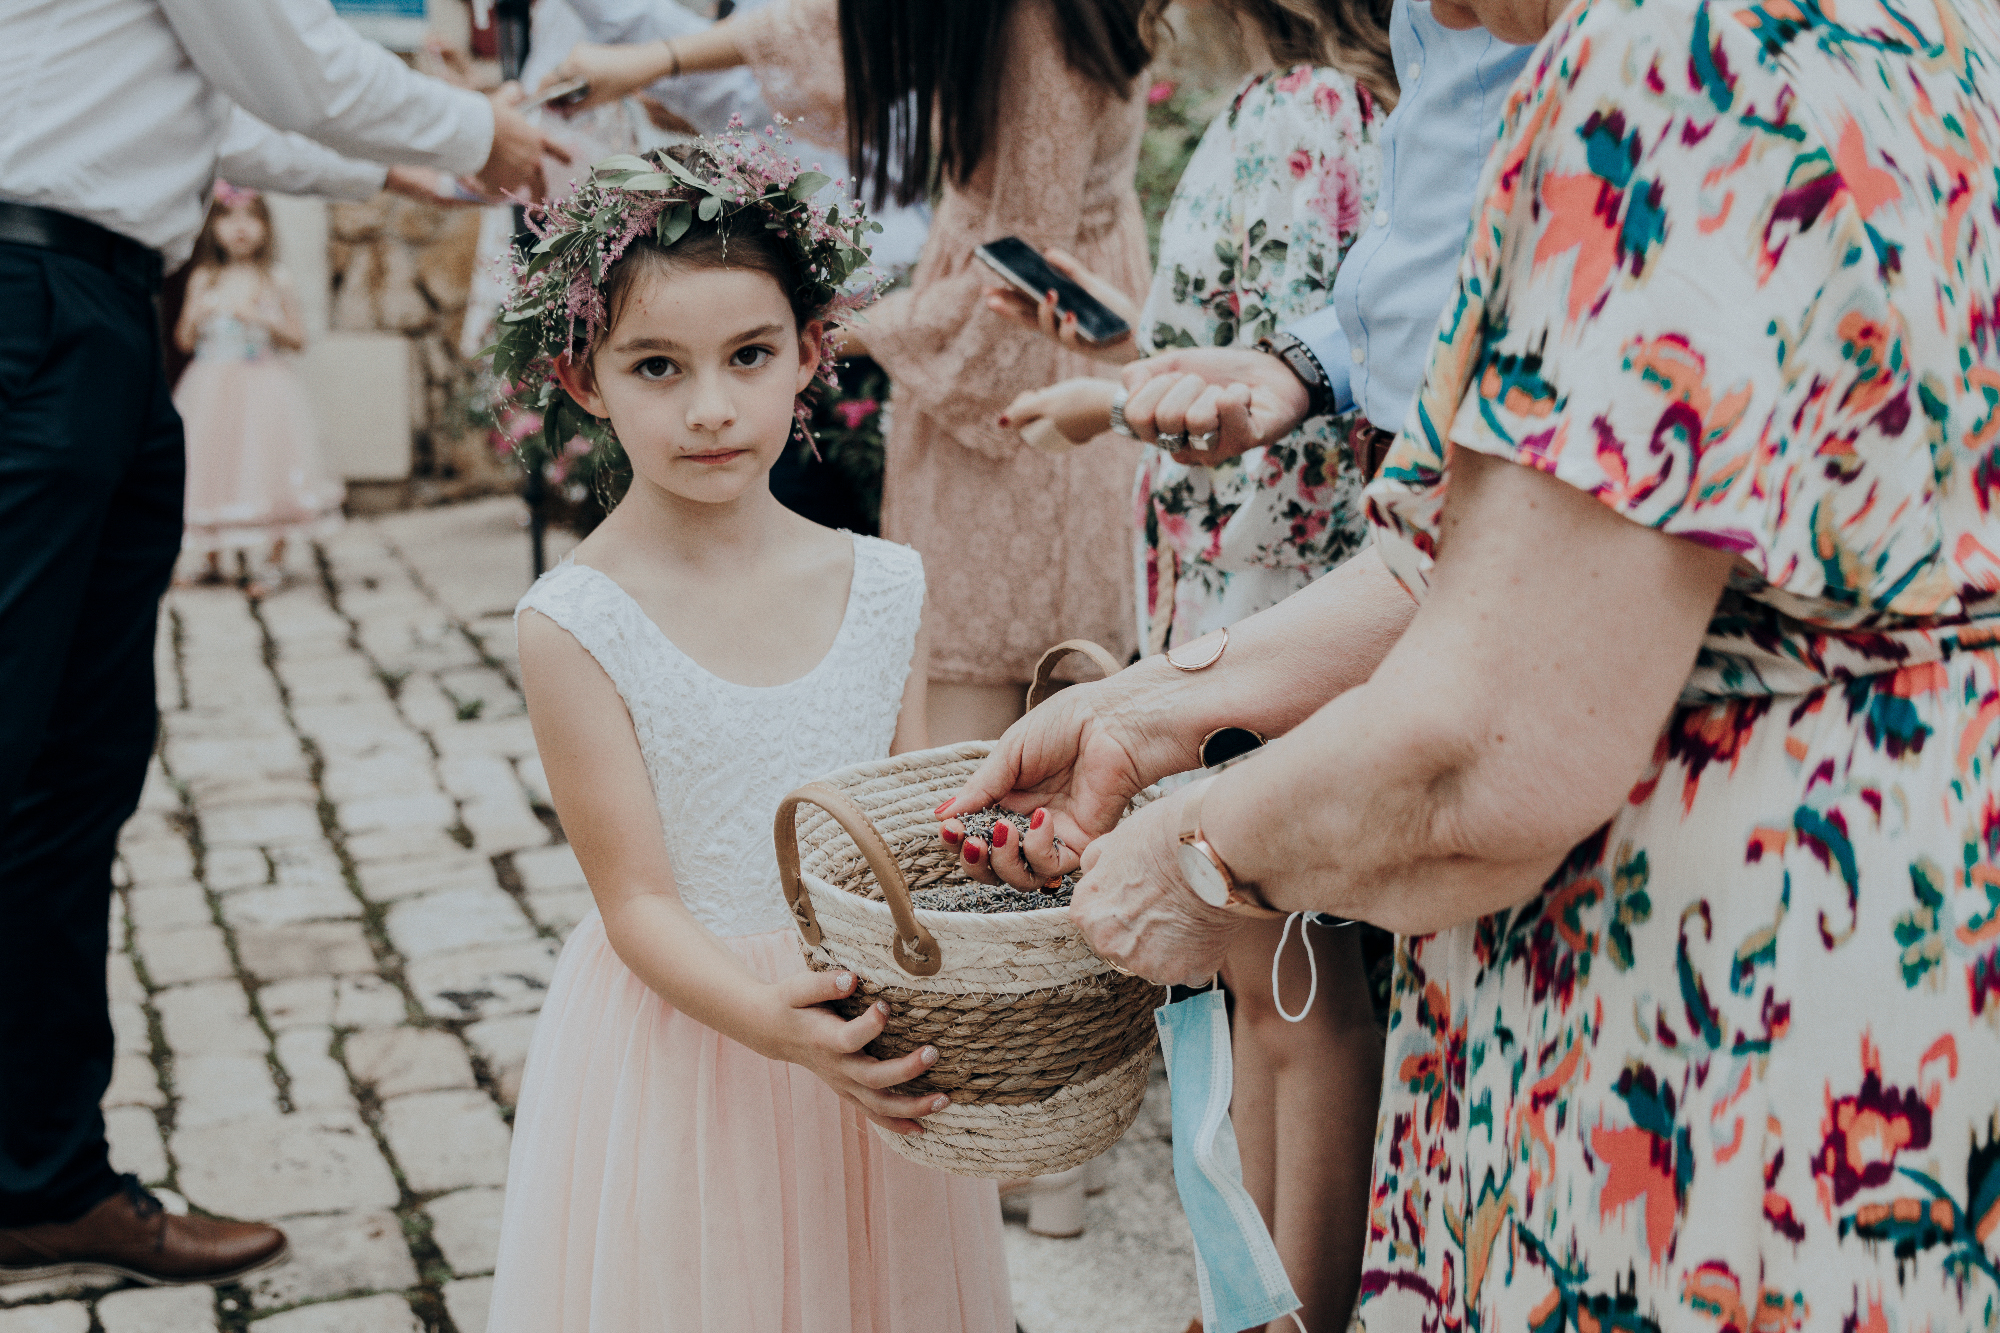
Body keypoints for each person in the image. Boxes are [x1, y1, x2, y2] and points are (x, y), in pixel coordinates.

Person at [943, 0, 2000, 1324]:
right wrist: (1151, 713)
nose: (1427, 15)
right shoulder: (1910, 25)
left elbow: (1480, 756)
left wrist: (1199, 857)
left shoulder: (1667, 61)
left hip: (1715, 1001)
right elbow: (1510, 557)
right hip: (1910, 929)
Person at [0, 0, 560, 1287]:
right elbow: (288, 61)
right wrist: (489, 133)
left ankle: (38, 1177)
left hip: (90, 308)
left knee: (72, 774)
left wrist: (397, 157)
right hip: (34, 305)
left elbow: (210, 96)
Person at [485, 138, 1010, 1331]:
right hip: (695, 1038)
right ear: (583, 381)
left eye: (749, 356)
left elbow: (906, 838)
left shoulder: (883, 586)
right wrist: (770, 1026)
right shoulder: (574, 622)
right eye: (657, 367)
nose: (711, 407)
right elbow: (636, 904)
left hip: (863, 1037)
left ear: (811, 353)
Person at [976, 0, 1391, 1321]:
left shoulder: (1302, 117)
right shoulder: (1309, 108)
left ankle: (1283, 1303)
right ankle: (1251, 1294)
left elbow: (1289, 417)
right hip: (1260, 598)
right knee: (1262, 976)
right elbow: (1248, 354)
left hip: (1273, 596)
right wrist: (1114, 373)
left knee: (1290, 983)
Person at [544, 0, 1157, 744]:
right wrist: (658, 60)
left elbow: (1015, 280)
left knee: (983, 695)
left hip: (1027, 358)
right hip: (986, 331)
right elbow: (848, 22)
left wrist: (797, 331)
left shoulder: (1044, 34)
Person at [173, 183, 344, 595]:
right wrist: (196, 315)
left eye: (251, 218)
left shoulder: (275, 279)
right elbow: (182, 340)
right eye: (228, 218)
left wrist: (262, 319)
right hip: (211, 387)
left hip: (264, 386)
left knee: (267, 463)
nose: (240, 228)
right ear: (212, 227)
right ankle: (211, 554)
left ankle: (273, 559)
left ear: (266, 226)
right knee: (212, 464)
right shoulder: (203, 279)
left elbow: (298, 338)